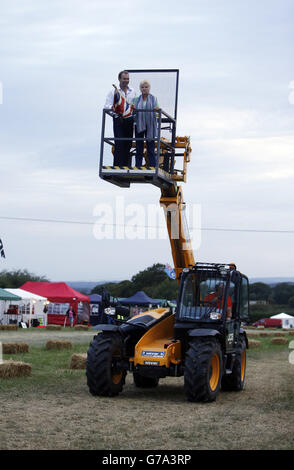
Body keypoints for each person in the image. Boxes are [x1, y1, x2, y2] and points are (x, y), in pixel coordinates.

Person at [104, 70, 136, 167]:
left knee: (128, 143)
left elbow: (135, 105)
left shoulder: (133, 92)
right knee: (119, 142)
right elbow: (106, 106)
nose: (126, 81)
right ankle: (118, 166)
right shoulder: (113, 92)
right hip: (118, 119)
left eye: (127, 79)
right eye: (124, 79)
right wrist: (115, 108)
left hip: (130, 120)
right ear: (119, 79)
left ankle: (125, 165)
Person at [132, 80, 159, 168]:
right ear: (140, 89)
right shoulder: (136, 99)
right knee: (139, 146)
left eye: (146, 87)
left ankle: (152, 166)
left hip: (150, 125)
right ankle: (138, 166)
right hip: (139, 124)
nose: (144, 89)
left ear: (149, 88)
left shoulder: (154, 98)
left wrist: (156, 109)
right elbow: (132, 112)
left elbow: (158, 111)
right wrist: (134, 109)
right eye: (142, 87)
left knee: (150, 146)